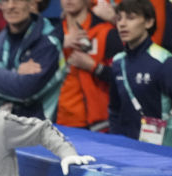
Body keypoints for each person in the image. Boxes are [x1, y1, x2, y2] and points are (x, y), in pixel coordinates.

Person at [108, 0, 172, 144]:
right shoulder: (118, 62)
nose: (122, 24)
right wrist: (115, 142)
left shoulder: (165, 62)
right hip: (124, 148)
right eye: (119, 18)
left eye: (130, 18)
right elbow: (114, 110)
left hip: (160, 149)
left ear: (148, 22)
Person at [0, 0, 67, 120]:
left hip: (37, 127)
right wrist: (15, 73)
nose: (11, 6)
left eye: (17, 0)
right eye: (5, 1)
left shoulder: (49, 41)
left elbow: (25, 90)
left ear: (31, 4)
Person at [52, 0, 123, 130]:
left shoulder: (107, 33)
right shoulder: (52, 36)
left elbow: (124, 78)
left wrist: (94, 67)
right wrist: (58, 44)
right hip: (58, 120)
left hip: (97, 124)